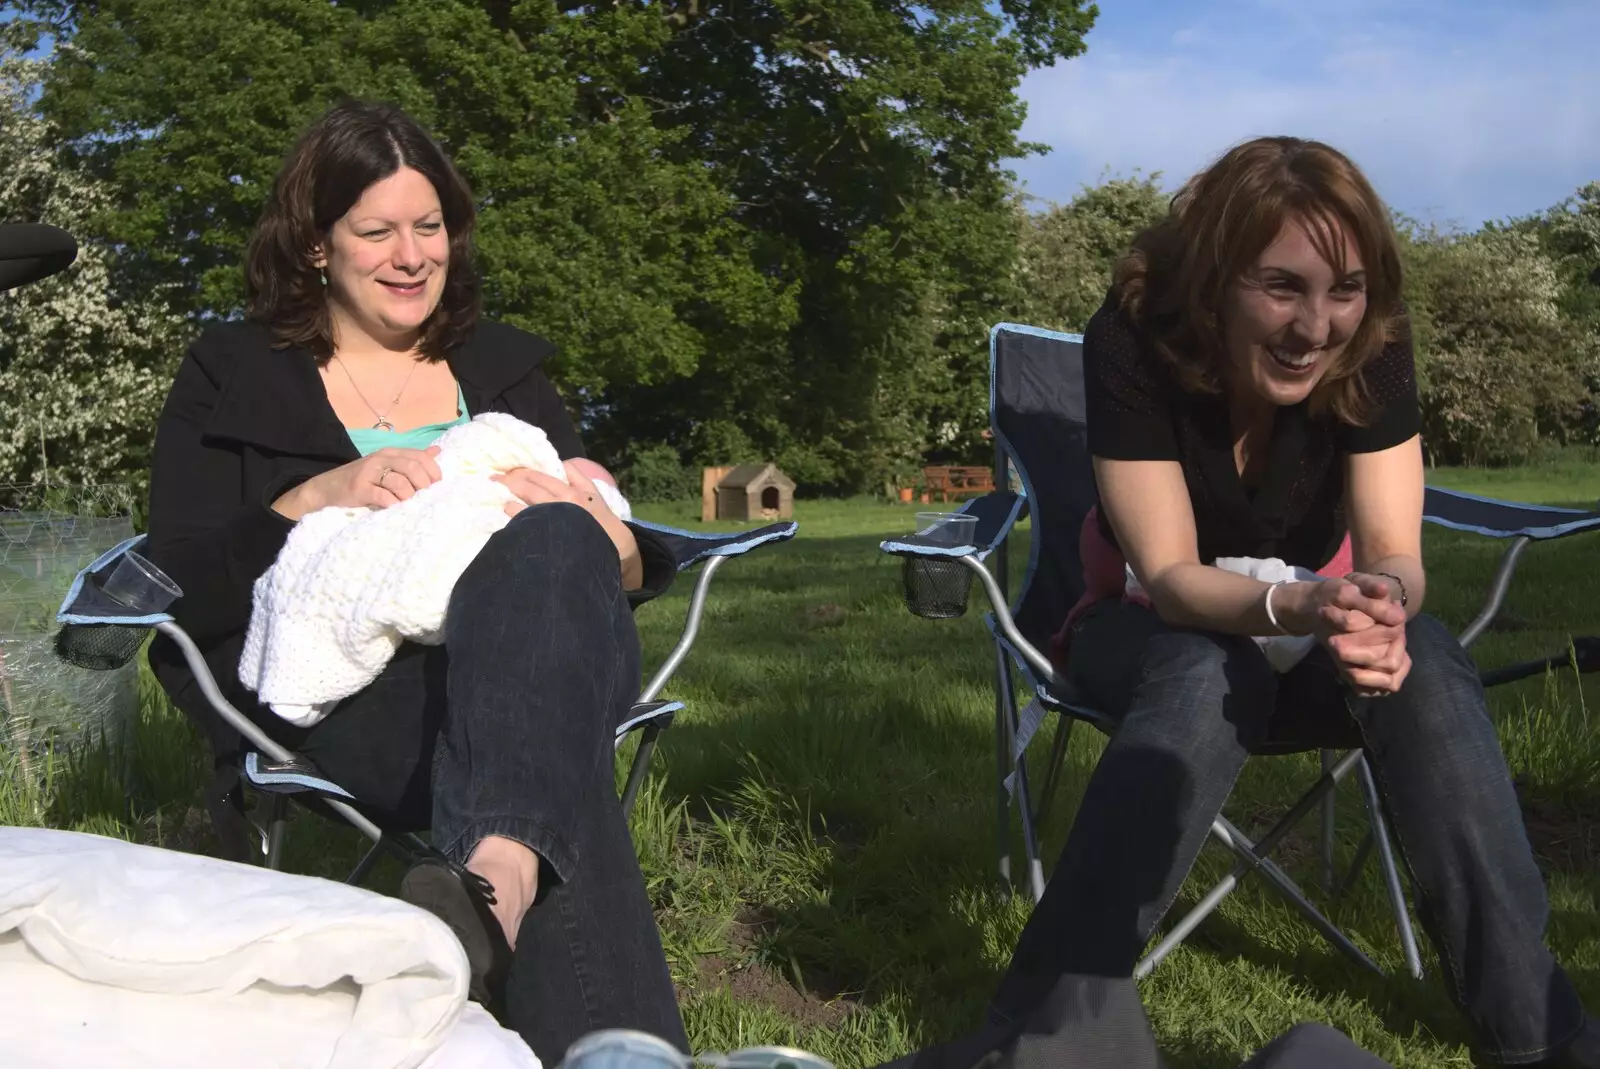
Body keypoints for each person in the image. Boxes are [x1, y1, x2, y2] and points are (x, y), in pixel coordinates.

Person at [987, 136, 1598, 1067]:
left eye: (1344, 290)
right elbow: (1175, 578)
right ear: (1213, 282)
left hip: (1302, 647)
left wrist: (1379, 608)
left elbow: (1397, 553)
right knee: (1204, 662)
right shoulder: (1134, 338)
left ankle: (1544, 1040)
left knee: (1425, 657)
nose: (1316, 326)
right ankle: (1050, 1027)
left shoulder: (1372, 347)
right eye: (1282, 286)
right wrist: (1302, 608)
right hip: (1150, 639)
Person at [143, 99, 687, 1062]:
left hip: (534, 647)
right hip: (348, 687)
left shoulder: (504, 371)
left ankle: (492, 876)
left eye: (428, 227)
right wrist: (312, 495)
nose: (411, 255)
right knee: (548, 765)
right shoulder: (230, 374)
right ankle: (511, 879)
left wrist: (613, 538)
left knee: (557, 536)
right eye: (377, 230)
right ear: (317, 246)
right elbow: (175, 585)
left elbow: (621, 562)